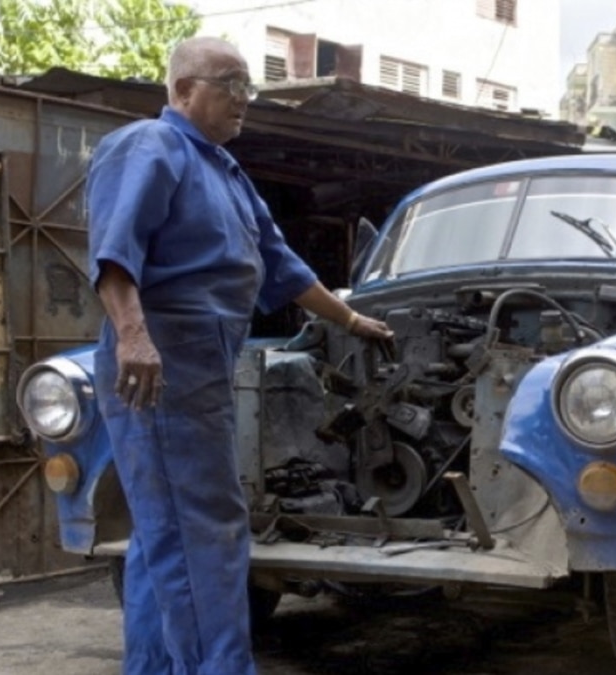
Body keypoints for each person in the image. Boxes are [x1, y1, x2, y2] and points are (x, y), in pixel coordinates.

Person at [87, 36, 393, 674]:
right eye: (231, 83)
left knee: (160, 537)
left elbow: (282, 266)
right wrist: (134, 336)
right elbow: (115, 254)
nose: (244, 99)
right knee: (207, 535)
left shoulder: (226, 172)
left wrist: (351, 317)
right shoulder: (151, 145)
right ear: (182, 90)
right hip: (161, 362)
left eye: (248, 86)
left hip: (203, 364)